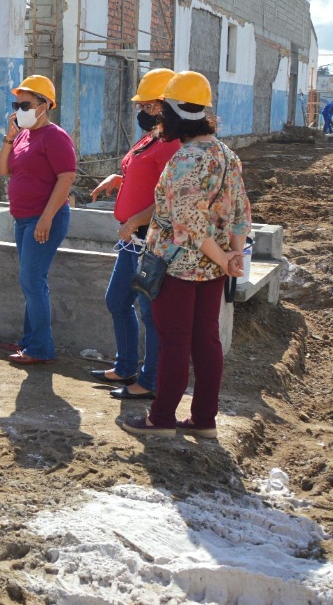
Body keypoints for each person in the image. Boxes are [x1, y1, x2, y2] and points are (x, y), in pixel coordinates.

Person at [119, 71, 250, 438]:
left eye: (163, 115)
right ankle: (204, 420)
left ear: (177, 114)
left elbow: (189, 225)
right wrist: (233, 256)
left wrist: (226, 260)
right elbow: (240, 213)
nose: (159, 121)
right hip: (213, 269)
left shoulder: (185, 160)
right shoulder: (227, 155)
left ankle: (161, 419)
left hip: (176, 268)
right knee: (206, 341)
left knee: (174, 343)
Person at [89, 68, 181, 400]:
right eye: (142, 105)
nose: (143, 111)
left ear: (169, 105)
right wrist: (118, 180)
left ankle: (149, 380)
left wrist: (135, 221)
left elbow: (169, 200)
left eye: (151, 106)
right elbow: (139, 172)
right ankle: (126, 366)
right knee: (117, 301)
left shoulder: (173, 145)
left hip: (149, 238)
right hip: (133, 239)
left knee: (149, 312)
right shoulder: (151, 137)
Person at [0, 74, 76, 365]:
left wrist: (46, 218)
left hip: (44, 219)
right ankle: (30, 341)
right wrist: (9, 137)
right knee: (29, 281)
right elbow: (3, 169)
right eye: (16, 104)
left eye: (25, 104)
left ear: (44, 105)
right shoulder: (25, 135)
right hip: (23, 218)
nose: (19, 109)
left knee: (32, 280)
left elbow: (66, 177)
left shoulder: (55, 136)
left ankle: (40, 347)